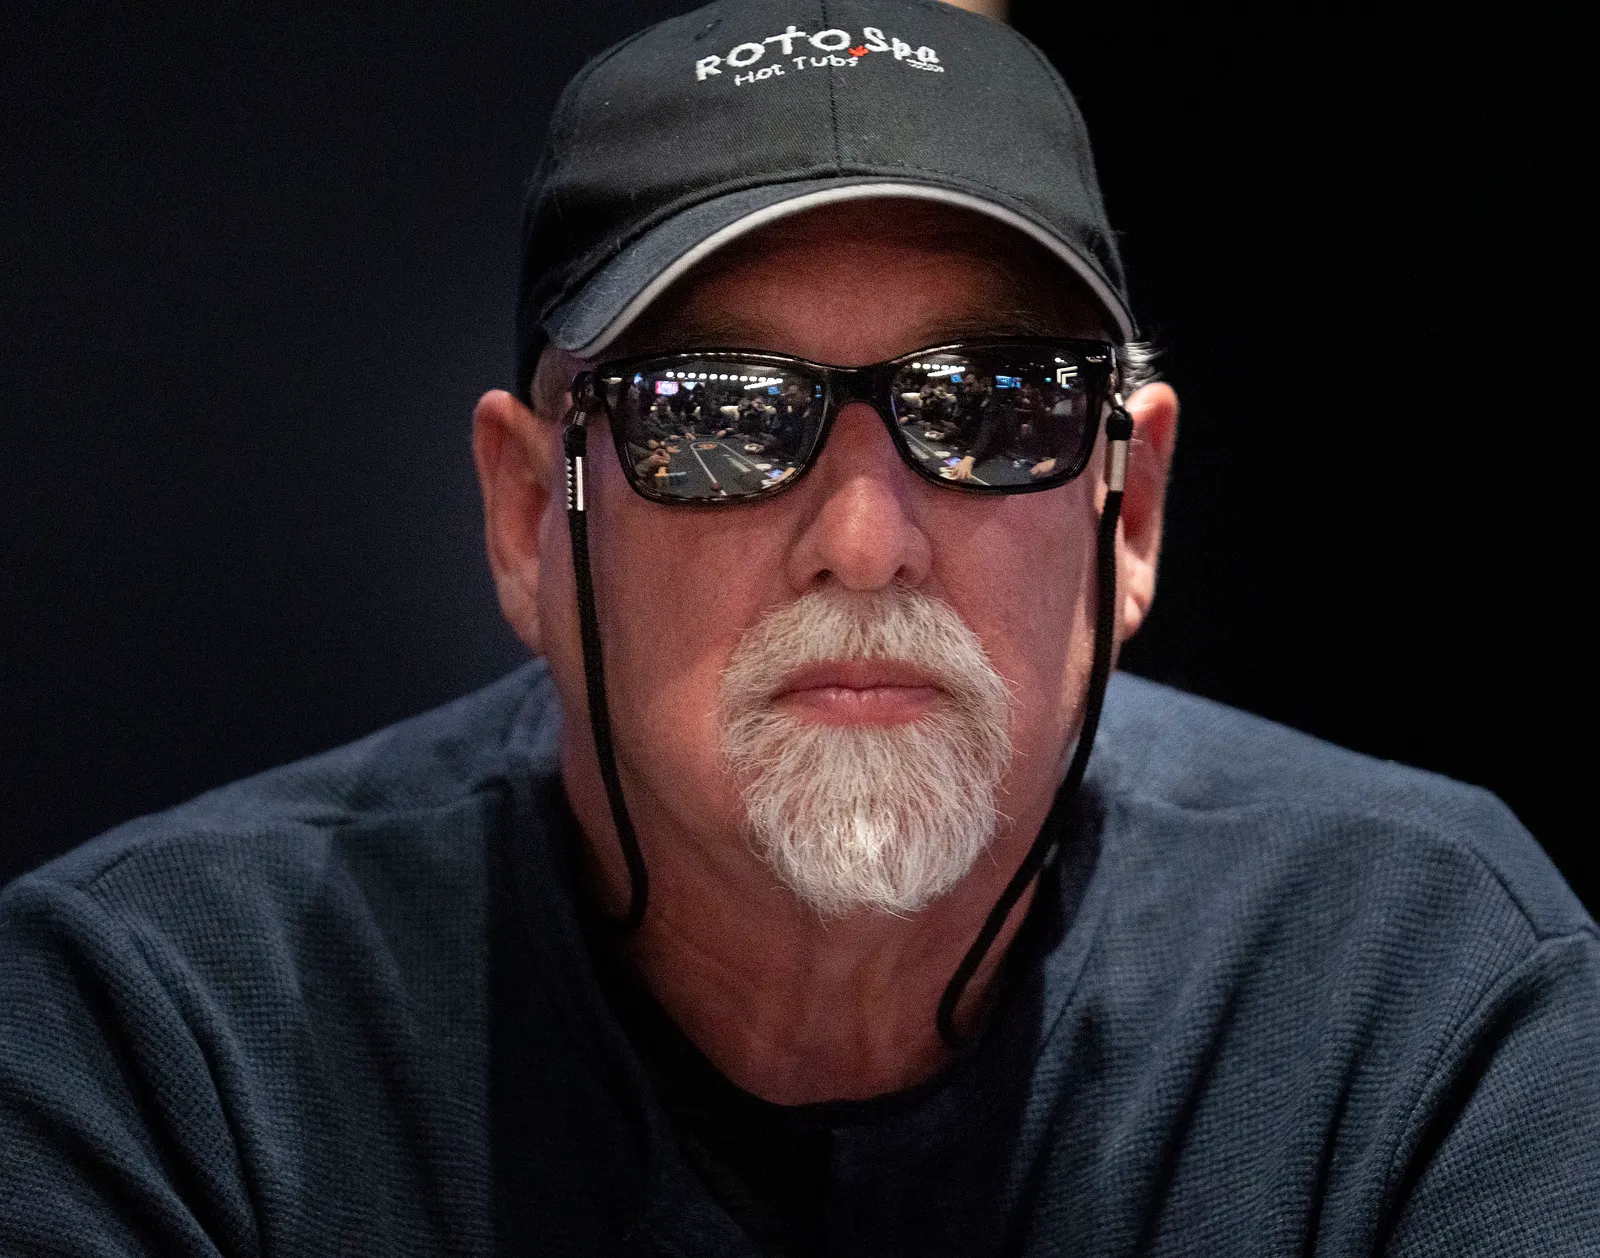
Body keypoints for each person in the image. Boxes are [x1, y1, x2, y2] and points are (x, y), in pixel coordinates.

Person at [2, 1, 1596, 1254]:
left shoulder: (1421, 990)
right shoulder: (165, 1039)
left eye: (989, 407)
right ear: (528, 516)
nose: (864, 542)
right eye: (717, 417)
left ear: (1132, 514)